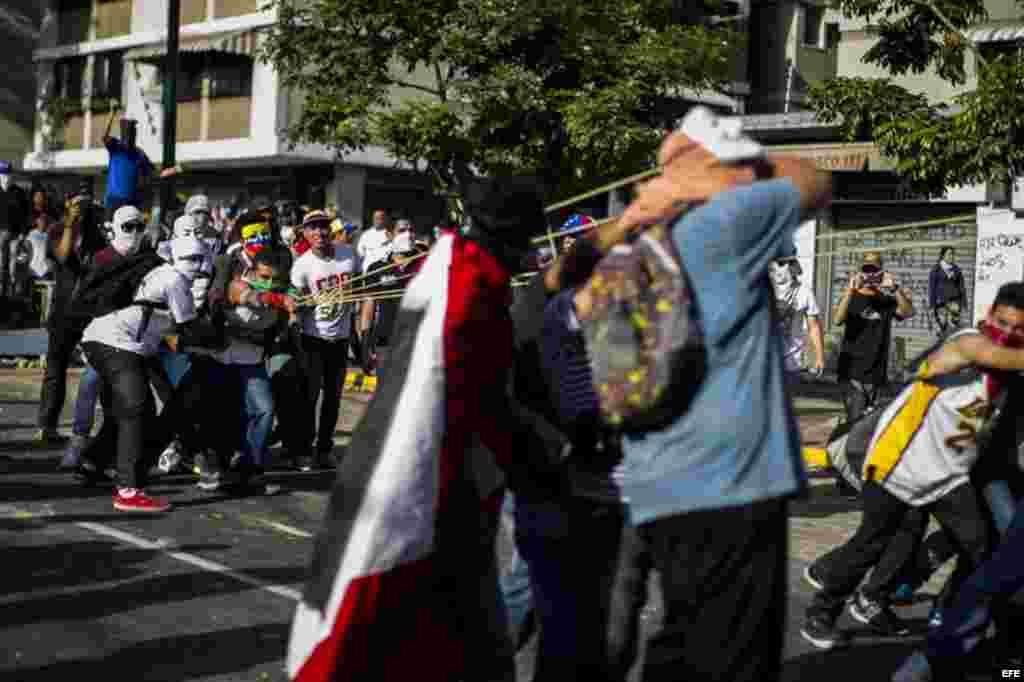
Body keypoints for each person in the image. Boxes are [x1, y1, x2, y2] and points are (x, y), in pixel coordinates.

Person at [541, 106, 832, 681]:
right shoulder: (725, 222)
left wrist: (643, 206)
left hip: (656, 481)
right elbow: (816, 181)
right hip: (730, 482)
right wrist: (724, 170)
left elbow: (554, 285)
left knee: (685, 637)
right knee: (726, 658)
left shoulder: (640, 240)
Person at [798, 290, 1024, 649]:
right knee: (871, 545)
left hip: (947, 477)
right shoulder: (964, 342)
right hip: (898, 465)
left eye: (1017, 329)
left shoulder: (1008, 375)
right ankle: (821, 613)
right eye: (1001, 323)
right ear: (988, 315)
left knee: (982, 546)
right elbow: (986, 352)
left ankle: (969, 630)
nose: (1006, 333)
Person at [76, 212, 210, 512]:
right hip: (117, 343)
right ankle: (128, 488)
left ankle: (95, 462)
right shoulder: (173, 278)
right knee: (136, 408)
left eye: (199, 259)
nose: (195, 265)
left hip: (117, 342)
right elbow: (189, 327)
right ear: (175, 255)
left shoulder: (161, 271)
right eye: (189, 259)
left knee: (137, 408)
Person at [36, 194, 108, 444]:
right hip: (63, 310)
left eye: (85, 205)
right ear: (66, 205)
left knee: (100, 367)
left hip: (89, 309)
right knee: (56, 369)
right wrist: (69, 225)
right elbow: (64, 256)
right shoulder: (57, 229)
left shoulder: (95, 235)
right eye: (76, 204)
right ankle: (47, 425)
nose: (81, 209)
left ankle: (94, 426)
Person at [290, 210, 359, 470]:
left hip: (340, 339)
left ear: (331, 229)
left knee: (333, 397)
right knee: (309, 397)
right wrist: (298, 309)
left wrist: (361, 338)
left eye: (322, 227)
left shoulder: (349, 255)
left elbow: (362, 292)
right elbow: (295, 306)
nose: (318, 232)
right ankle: (303, 450)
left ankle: (324, 449)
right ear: (305, 234)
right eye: (312, 228)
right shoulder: (302, 265)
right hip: (313, 338)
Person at [835, 251, 915, 423]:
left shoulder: (885, 300)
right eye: (866, 269)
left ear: (881, 272)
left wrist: (895, 288)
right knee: (855, 423)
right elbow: (837, 319)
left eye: (874, 269)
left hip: (876, 374)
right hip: (852, 373)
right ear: (860, 271)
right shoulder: (851, 296)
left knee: (869, 428)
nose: (870, 274)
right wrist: (850, 289)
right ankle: (840, 445)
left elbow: (908, 312)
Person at [102, 113, 154, 215]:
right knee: (109, 228)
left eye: (133, 130)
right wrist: (112, 114)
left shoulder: (140, 153)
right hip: (113, 201)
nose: (132, 133)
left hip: (132, 202)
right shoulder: (116, 147)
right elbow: (105, 136)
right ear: (123, 132)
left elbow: (150, 173)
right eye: (129, 130)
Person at [0, 160, 28, 302]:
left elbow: (25, 214)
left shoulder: (19, 192)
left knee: (13, 265)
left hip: (15, 234)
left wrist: (23, 232)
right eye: (3, 174)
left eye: (8, 174)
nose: (6, 177)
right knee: (1, 263)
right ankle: (2, 290)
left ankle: (10, 293)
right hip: (1, 233)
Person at [928, 246, 967, 338]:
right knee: (941, 328)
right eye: (949, 254)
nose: (951, 256)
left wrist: (963, 303)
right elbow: (932, 288)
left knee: (954, 329)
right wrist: (932, 305)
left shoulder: (957, 270)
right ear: (943, 256)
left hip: (954, 303)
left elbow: (961, 287)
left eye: (953, 254)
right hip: (941, 304)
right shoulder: (936, 269)